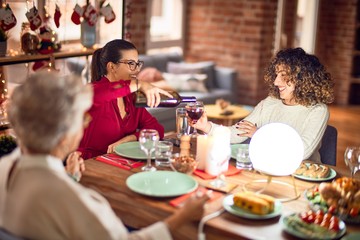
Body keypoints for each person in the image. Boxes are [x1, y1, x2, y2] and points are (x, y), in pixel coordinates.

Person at [0, 71, 209, 239]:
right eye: (81, 121)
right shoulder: (79, 201)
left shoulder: (3, 169)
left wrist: (69, 178)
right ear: (64, 137)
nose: (85, 125)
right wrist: (183, 216)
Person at [194, 48, 334, 163]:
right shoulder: (269, 102)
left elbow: (302, 152)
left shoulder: (318, 110)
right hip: (265, 167)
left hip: (301, 176)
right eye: (276, 74)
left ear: (302, 79)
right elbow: (236, 133)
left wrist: (260, 134)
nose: (276, 82)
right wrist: (206, 126)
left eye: (283, 75)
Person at [78, 39, 172, 159]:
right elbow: (106, 92)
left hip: (120, 164)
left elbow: (157, 129)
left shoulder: (130, 97)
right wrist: (139, 84)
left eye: (137, 64)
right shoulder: (93, 91)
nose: (137, 70)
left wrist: (129, 138)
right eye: (131, 64)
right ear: (112, 67)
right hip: (90, 165)